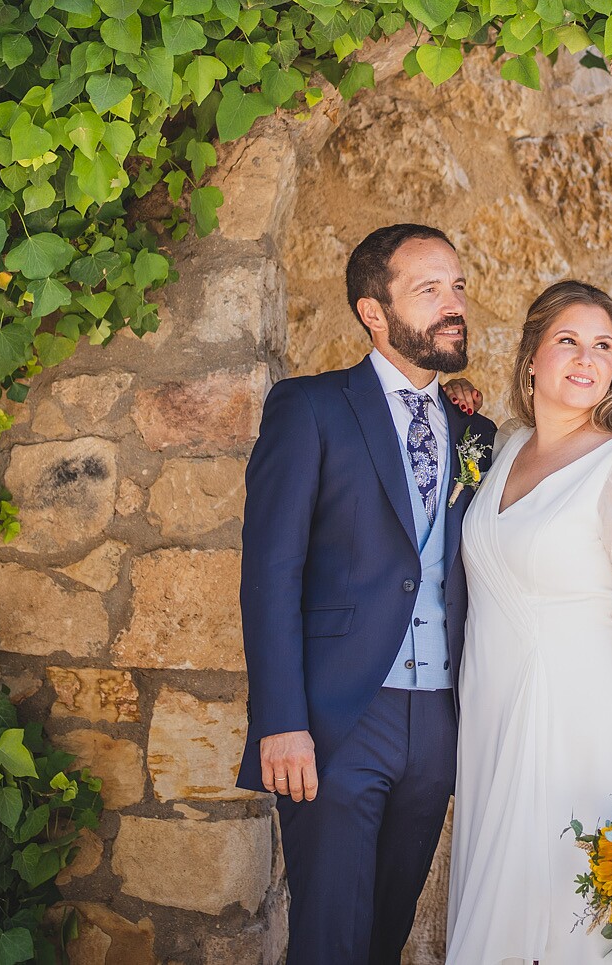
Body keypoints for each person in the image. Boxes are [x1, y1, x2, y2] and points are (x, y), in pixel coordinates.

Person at [237, 223, 495, 965]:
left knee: (386, 935)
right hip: (339, 718)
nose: (453, 304)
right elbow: (271, 572)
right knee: (331, 941)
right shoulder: (309, 408)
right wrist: (281, 720)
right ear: (373, 313)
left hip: (439, 722)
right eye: (428, 289)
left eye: (457, 286)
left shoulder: (476, 433)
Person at [445, 279, 612, 964]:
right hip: (498, 717)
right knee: (510, 904)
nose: (587, 359)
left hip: (591, 725)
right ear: (531, 355)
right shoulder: (504, 449)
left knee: (584, 914)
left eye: (603, 346)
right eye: (568, 340)